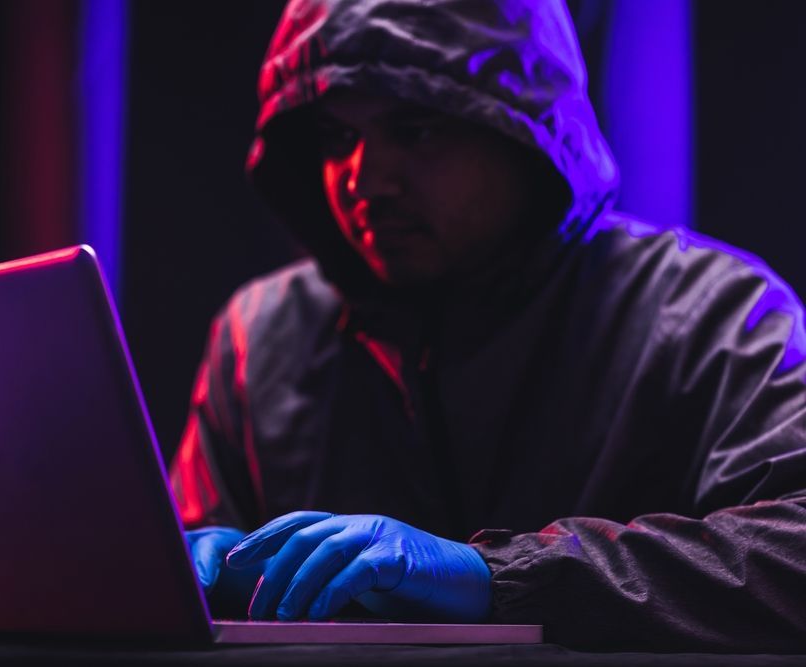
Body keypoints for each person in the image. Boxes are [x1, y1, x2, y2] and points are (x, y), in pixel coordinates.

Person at [169, 0, 806, 651]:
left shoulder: (715, 317)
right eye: (337, 137)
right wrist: (192, 566)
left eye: (416, 129)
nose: (365, 178)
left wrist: (493, 577)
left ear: (526, 132)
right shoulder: (261, 332)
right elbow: (180, 561)